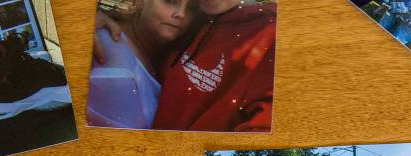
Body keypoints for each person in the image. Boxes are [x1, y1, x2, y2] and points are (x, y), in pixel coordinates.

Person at [96, 0, 277, 132]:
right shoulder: (197, 23)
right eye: (170, 2)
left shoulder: (270, 35)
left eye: (189, 8)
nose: (181, 14)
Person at [87, 0, 199, 129]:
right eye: (170, 1)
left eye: (192, 8)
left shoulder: (171, 59)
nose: (181, 14)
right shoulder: (103, 42)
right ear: (140, 2)